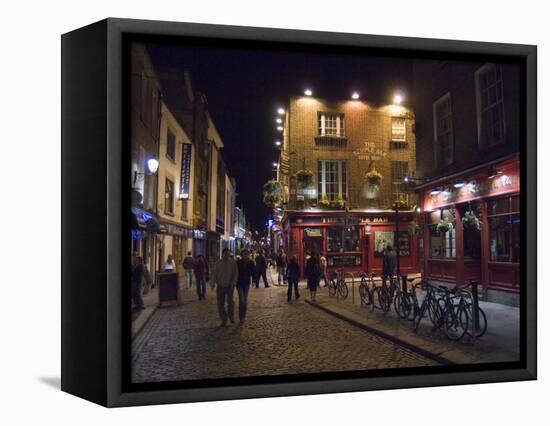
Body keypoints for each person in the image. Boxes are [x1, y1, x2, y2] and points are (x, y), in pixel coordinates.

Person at [211, 248, 238, 326]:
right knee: (220, 304)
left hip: (229, 286)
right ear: (222, 254)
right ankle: (224, 319)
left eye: (228, 253)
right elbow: (214, 274)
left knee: (230, 302)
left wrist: (233, 283)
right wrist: (213, 283)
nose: (227, 255)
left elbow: (235, 274)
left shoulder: (233, 263)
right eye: (225, 253)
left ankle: (231, 315)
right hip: (220, 286)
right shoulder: (218, 263)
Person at [236, 249, 255, 322]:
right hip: (239, 283)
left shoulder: (251, 263)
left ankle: (243, 315)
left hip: (246, 283)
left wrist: (253, 280)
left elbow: (253, 272)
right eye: (244, 254)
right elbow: (235, 272)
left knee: (245, 299)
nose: (245, 255)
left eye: (247, 254)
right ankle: (241, 316)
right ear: (242, 255)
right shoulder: (238, 262)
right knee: (242, 299)